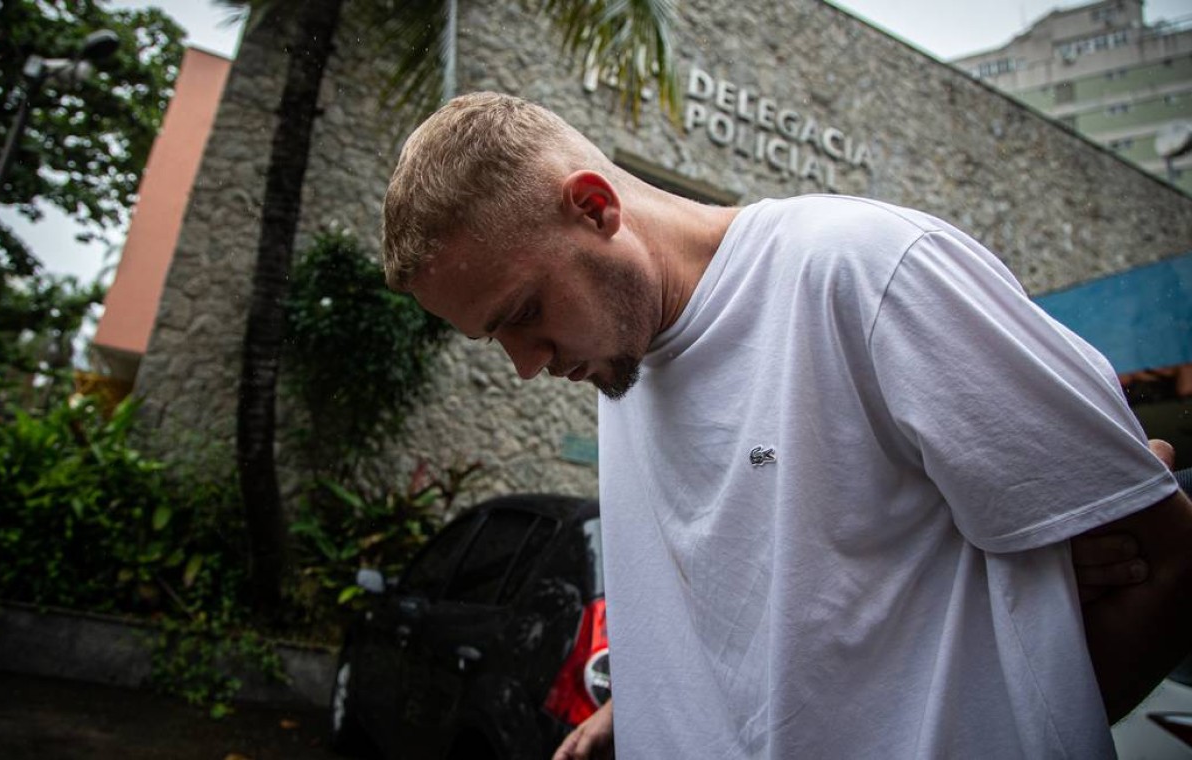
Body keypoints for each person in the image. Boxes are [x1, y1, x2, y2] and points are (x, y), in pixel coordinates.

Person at [381, 92, 1192, 759]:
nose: (527, 363)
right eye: (497, 338)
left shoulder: (860, 270)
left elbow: (1167, 560)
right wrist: (636, 709)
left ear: (594, 207)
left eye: (524, 313)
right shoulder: (619, 361)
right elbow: (776, 618)